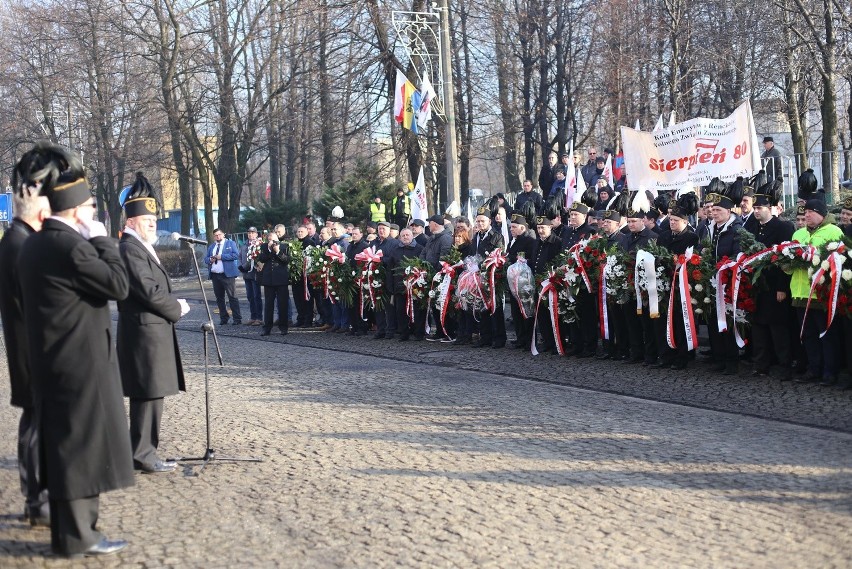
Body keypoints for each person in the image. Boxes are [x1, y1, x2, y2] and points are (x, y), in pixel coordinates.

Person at [19, 152, 133, 558]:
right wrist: (100, 236)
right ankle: (77, 535)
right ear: (76, 211)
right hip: (78, 364)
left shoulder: (36, 243)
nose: (93, 212)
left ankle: (78, 532)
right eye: (89, 208)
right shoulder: (70, 247)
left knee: (71, 447)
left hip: (58, 361)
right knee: (80, 450)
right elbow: (119, 285)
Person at [117, 172, 190, 475]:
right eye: (148, 221)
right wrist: (176, 307)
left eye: (154, 221)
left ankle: (147, 452)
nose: (153, 225)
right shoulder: (130, 248)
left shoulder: (140, 246)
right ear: (131, 221)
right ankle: (143, 454)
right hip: (143, 333)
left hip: (150, 333)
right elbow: (147, 290)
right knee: (146, 394)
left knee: (152, 393)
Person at [0, 143, 54, 528]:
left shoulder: (15, 240)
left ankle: (36, 496)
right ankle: (36, 498)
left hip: (25, 347)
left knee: (34, 423)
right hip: (30, 349)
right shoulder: (20, 244)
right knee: (35, 425)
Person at [791, 199, 843, 384]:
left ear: (821, 213)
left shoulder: (834, 232)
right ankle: (813, 369)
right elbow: (790, 262)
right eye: (805, 213)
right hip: (800, 292)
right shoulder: (798, 233)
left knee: (826, 334)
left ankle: (830, 372)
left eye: (810, 212)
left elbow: (839, 261)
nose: (806, 216)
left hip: (821, 292)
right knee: (808, 335)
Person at [749, 181, 795, 381]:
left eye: (759, 208)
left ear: (771, 209)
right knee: (759, 328)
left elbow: (786, 261)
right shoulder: (753, 228)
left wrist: (782, 288)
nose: (756, 211)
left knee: (778, 329)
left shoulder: (782, 228)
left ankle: (785, 366)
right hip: (758, 287)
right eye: (755, 208)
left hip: (775, 286)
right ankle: (761, 365)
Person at [703, 179, 743, 375]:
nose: (714, 213)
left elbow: (738, 255)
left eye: (718, 210)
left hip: (727, 282)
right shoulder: (710, 229)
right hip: (711, 281)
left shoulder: (736, 229)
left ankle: (731, 360)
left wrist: (723, 268)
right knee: (713, 320)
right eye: (713, 210)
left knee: (727, 321)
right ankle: (718, 357)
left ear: (728, 211)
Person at [473, 207, 506, 348]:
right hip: (478, 276)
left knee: (495, 308)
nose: (480, 224)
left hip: (492, 276)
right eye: (478, 221)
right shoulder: (476, 236)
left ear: (489, 221)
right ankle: (485, 337)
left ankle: (499, 338)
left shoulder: (497, 236)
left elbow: (498, 255)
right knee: (482, 308)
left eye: (483, 221)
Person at [506, 213, 538, 349]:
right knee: (516, 312)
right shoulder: (513, 240)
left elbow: (530, 259)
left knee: (526, 311)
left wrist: (512, 258)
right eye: (510, 227)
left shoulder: (529, 241)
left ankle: (528, 339)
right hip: (514, 282)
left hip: (524, 283)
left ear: (522, 228)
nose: (511, 229)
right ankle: (520, 338)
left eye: (514, 227)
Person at [387, 228, 425, 341]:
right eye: (403, 235)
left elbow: (423, 266)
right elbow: (390, 269)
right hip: (399, 286)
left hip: (415, 286)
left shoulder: (419, 249)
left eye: (407, 235)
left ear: (412, 236)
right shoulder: (395, 250)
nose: (405, 237)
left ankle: (419, 333)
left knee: (418, 311)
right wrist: (390, 286)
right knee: (401, 311)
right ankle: (404, 333)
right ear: (399, 237)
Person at [257, 226, 291, 336]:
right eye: (270, 240)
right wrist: (268, 249)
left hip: (281, 280)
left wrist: (277, 252)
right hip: (269, 280)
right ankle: (267, 328)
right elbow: (262, 259)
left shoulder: (284, 246)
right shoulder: (264, 247)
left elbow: (286, 260)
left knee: (282, 304)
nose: (272, 242)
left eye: (274, 240)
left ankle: (283, 327)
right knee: (268, 305)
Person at [204, 228, 242, 325]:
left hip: (227, 275)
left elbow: (236, 255)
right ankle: (224, 317)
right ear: (213, 237)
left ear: (223, 234)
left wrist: (222, 257)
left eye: (219, 234)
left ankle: (237, 319)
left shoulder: (230, 243)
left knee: (232, 297)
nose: (218, 237)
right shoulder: (212, 246)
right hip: (215, 275)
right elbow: (206, 259)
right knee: (219, 298)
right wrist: (210, 260)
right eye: (216, 235)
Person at [239, 226, 263, 325]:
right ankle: (253, 317)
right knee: (250, 296)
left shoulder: (259, 244)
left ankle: (259, 318)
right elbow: (240, 257)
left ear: (256, 234)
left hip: (255, 273)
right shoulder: (244, 245)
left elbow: (260, 258)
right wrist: (241, 267)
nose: (250, 234)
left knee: (256, 295)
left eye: (253, 233)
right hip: (246, 273)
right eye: (249, 233)